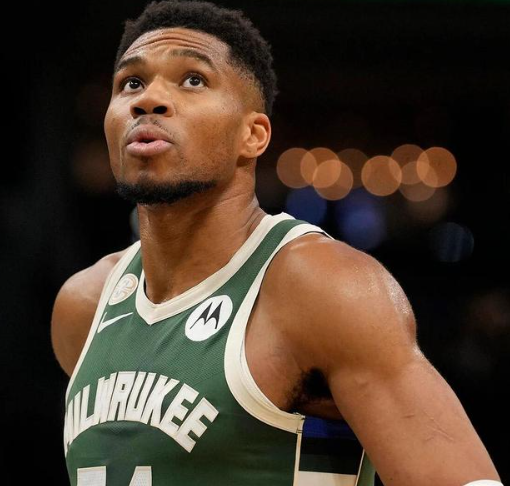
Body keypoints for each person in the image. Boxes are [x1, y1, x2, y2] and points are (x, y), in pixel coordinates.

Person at [51, 1, 502, 485]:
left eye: (193, 79)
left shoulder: (322, 287)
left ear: (253, 135)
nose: (148, 100)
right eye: (131, 83)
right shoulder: (84, 305)